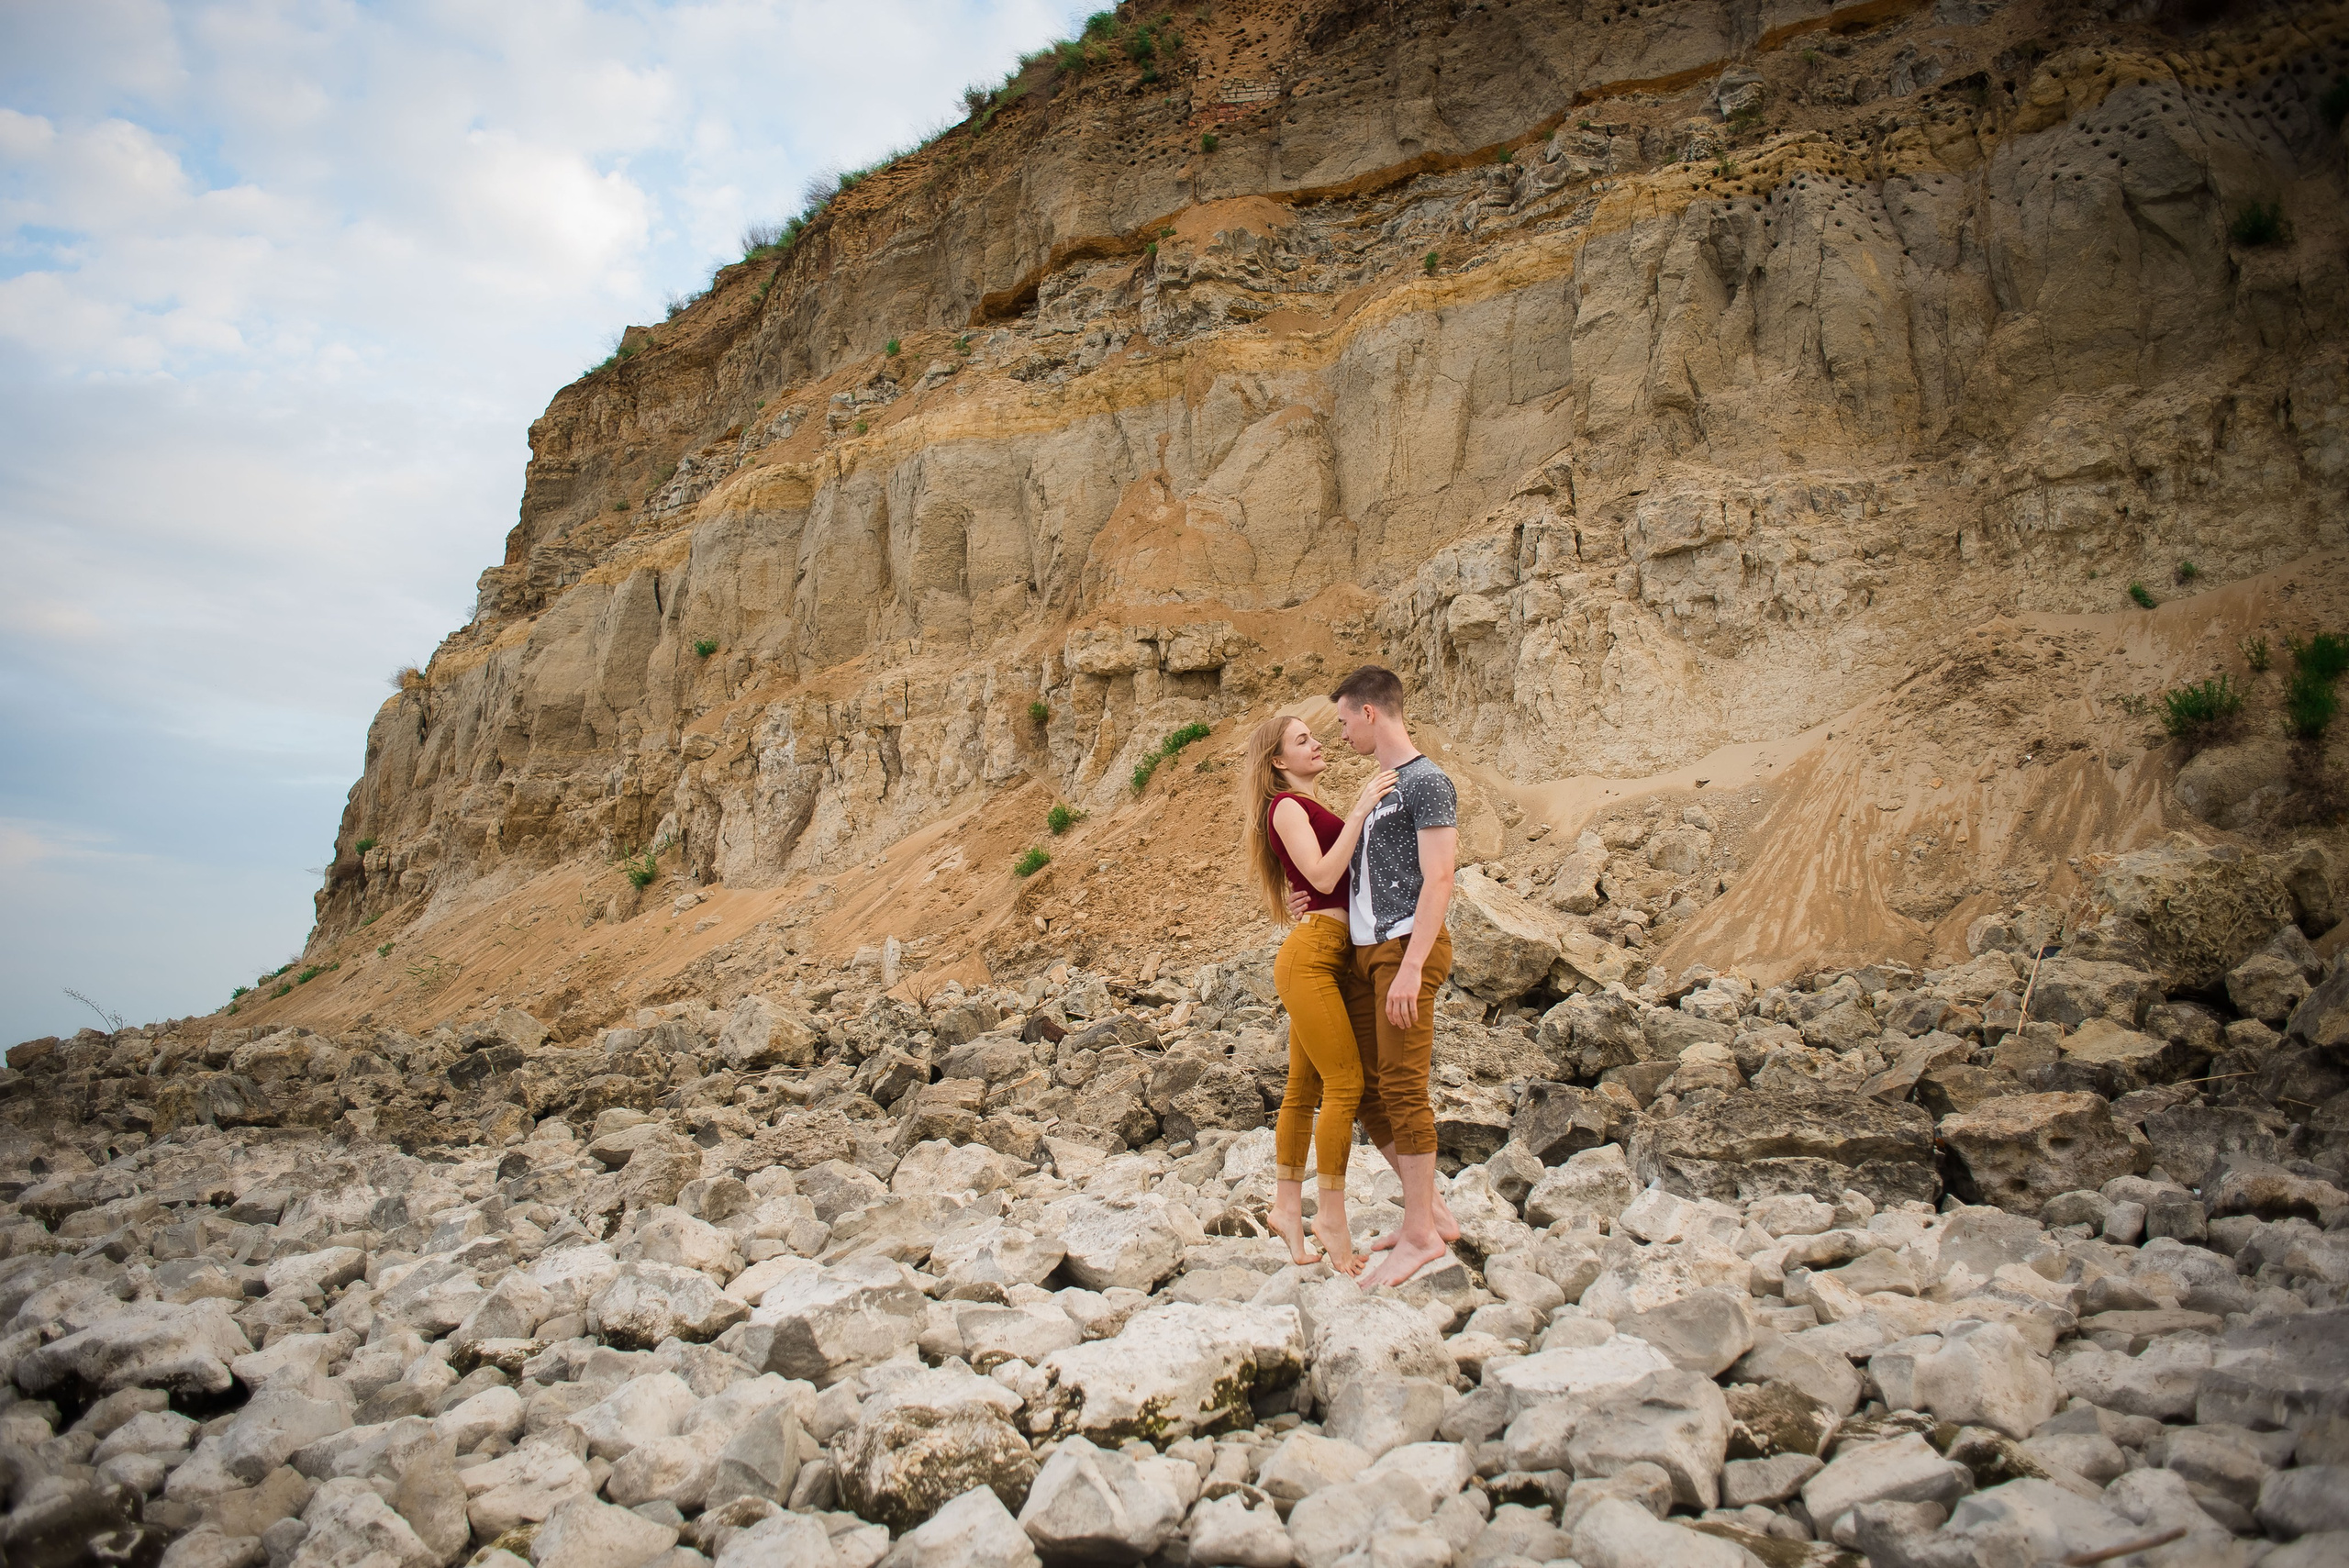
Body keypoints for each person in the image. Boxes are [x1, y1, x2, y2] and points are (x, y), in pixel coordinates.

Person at [1241, 711, 1395, 1274]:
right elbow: (1324, 876)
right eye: (1302, 740)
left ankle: (1286, 1207)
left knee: (1303, 1088)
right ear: (1279, 761)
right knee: (1347, 1082)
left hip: (1330, 953)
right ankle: (1330, 1215)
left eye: (1315, 736)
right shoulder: (1286, 806)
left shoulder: (1307, 809)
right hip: (1311, 956)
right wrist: (1360, 809)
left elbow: (1316, 880)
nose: (1317, 743)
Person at [1329, 664, 1461, 1289]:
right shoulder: (1382, 785)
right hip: (1375, 952)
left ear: (1370, 713)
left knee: (1404, 1089)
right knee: (1374, 1090)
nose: (1342, 732)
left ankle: (1420, 1237)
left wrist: (1411, 966)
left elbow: (1440, 878)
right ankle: (1430, 1214)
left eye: (1344, 720)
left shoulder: (1426, 781)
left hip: (1406, 948)